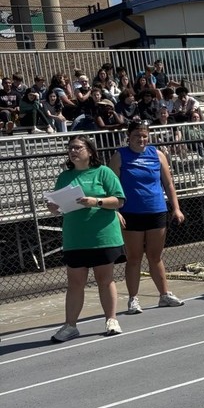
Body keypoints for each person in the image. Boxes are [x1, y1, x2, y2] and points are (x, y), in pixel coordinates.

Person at [46, 135, 127, 341]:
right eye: (70, 148)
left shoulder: (103, 172)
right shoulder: (65, 176)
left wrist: (96, 201)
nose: (73, 151)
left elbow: (119, 200)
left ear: (89, 151)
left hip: (102, 236)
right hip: (75, 237)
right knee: (75, 282)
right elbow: (59, 206)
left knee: (104, 279)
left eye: (77, 148)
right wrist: (53, 207)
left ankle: (111, 319)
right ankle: (70, 325)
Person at [109, 119, 186, 315]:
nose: (141, 140)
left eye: (144, 136)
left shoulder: (157, 154)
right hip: (131, 213)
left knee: (155, 256)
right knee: (134, 257)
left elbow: (168, 184)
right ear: (129, 137)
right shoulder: (120, 156)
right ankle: (133, 299)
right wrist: (115, 211)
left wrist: (176, 208)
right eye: (137, 136)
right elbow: (111, 187)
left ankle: (164, 294)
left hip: (156, 210)